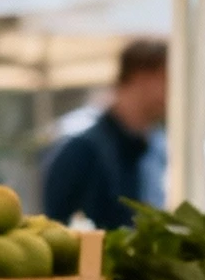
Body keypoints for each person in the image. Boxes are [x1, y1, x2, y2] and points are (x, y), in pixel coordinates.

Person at [44, 38, 167, 231]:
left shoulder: (156, 149)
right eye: (166, 78)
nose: (173, 90)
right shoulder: (81, 153)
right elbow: (55, 230)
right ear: (140, 77)